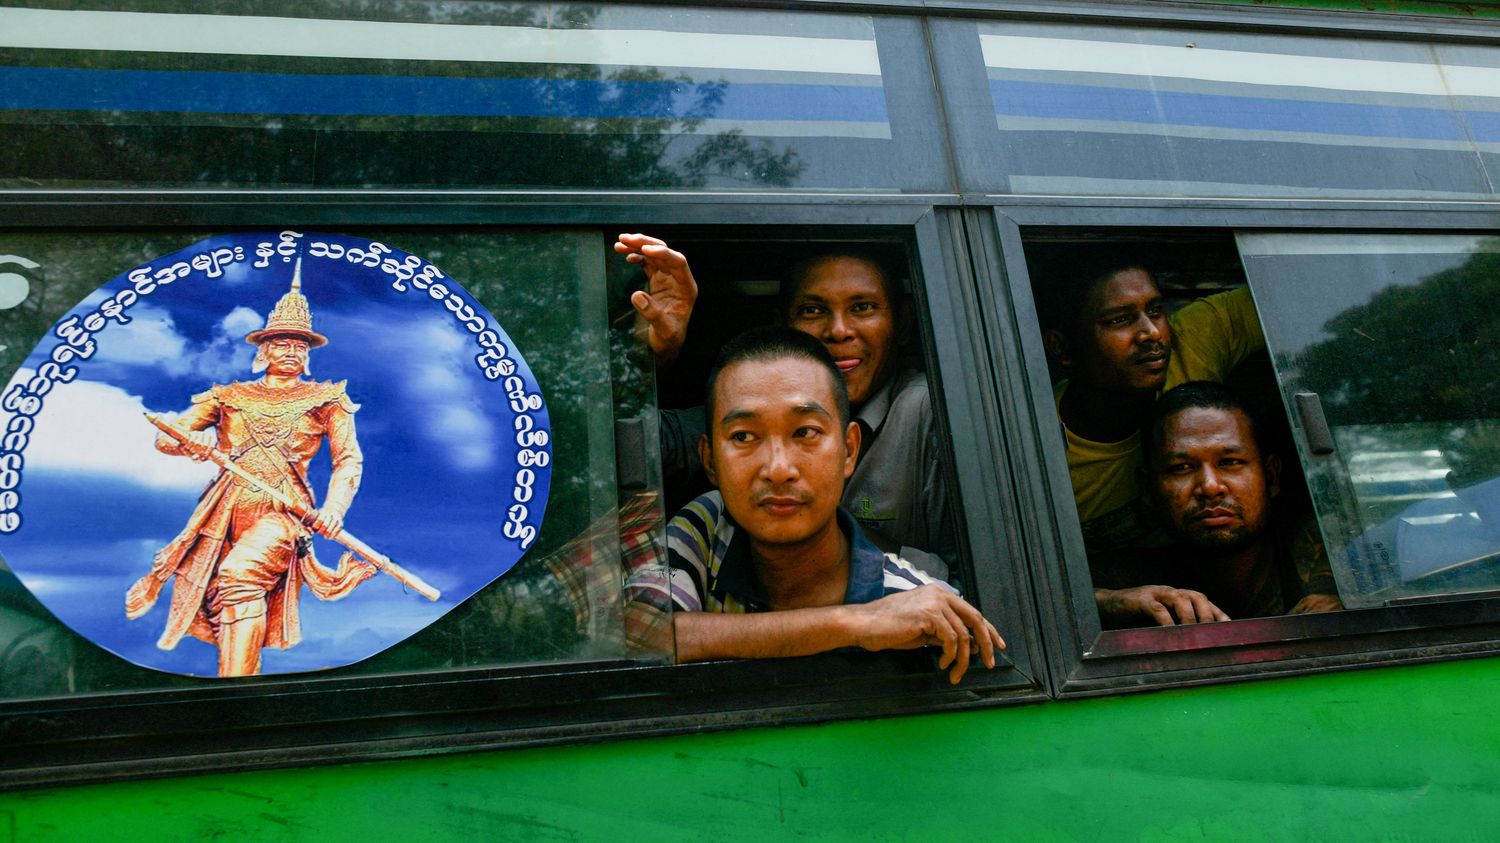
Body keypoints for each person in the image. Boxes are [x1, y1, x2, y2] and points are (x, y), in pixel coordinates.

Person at [625, 326, 1003, 683]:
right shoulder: (711, 524)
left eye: (805, 432)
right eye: (743, 436)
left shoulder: (914, 605)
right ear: (709, 459)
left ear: (849, 450)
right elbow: (641, 634)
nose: (778, 469)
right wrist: (856, 623)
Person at [615, 234, 951, 578]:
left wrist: (822, 535)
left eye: (862, 307)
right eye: (812, 310)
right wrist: (648, 359)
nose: (838, 330)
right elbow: (608, 449)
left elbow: (975, 589)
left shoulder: (928, 410)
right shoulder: (745, 417)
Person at [125, 264, 374, 676]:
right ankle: (244, 680)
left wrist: (334, 509)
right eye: (282, 343)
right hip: (222, 512)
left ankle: (234, 688)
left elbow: (348, 459)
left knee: (240, 576)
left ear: (308, 353)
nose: (292, 351)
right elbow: (168, 436)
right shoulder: (229, 395)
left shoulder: (327, 398)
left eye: (300, 345)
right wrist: (192, 443)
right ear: (264, 349)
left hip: (286, 512)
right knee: (224, 596)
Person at [1037, 247, 1266, 558]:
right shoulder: (1037, 449)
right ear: (1062, 348)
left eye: (1156, 310)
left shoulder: (1191, 339)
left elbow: (1296, 287)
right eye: (1120, 320)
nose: (1151, 332)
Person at [1095, 382, 1342, 627]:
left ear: (1271, 476)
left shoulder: (1341, 557)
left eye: (1230, 462)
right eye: (1181, 468)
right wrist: (1107, 603)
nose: (1210, 487)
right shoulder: (1133, 583)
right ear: (1148, 489)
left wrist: (1354, 606)